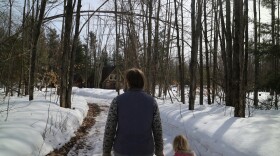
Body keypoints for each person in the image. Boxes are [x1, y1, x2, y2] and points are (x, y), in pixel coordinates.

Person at [103, 68, 164, 156]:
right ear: (142, 81)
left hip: (122, 150)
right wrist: (159, 151)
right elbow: (157, 129)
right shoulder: (152, 102)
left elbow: (110, 128)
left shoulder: (117, 101)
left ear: (128, 82)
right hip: (145, 150)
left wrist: (106, 151)